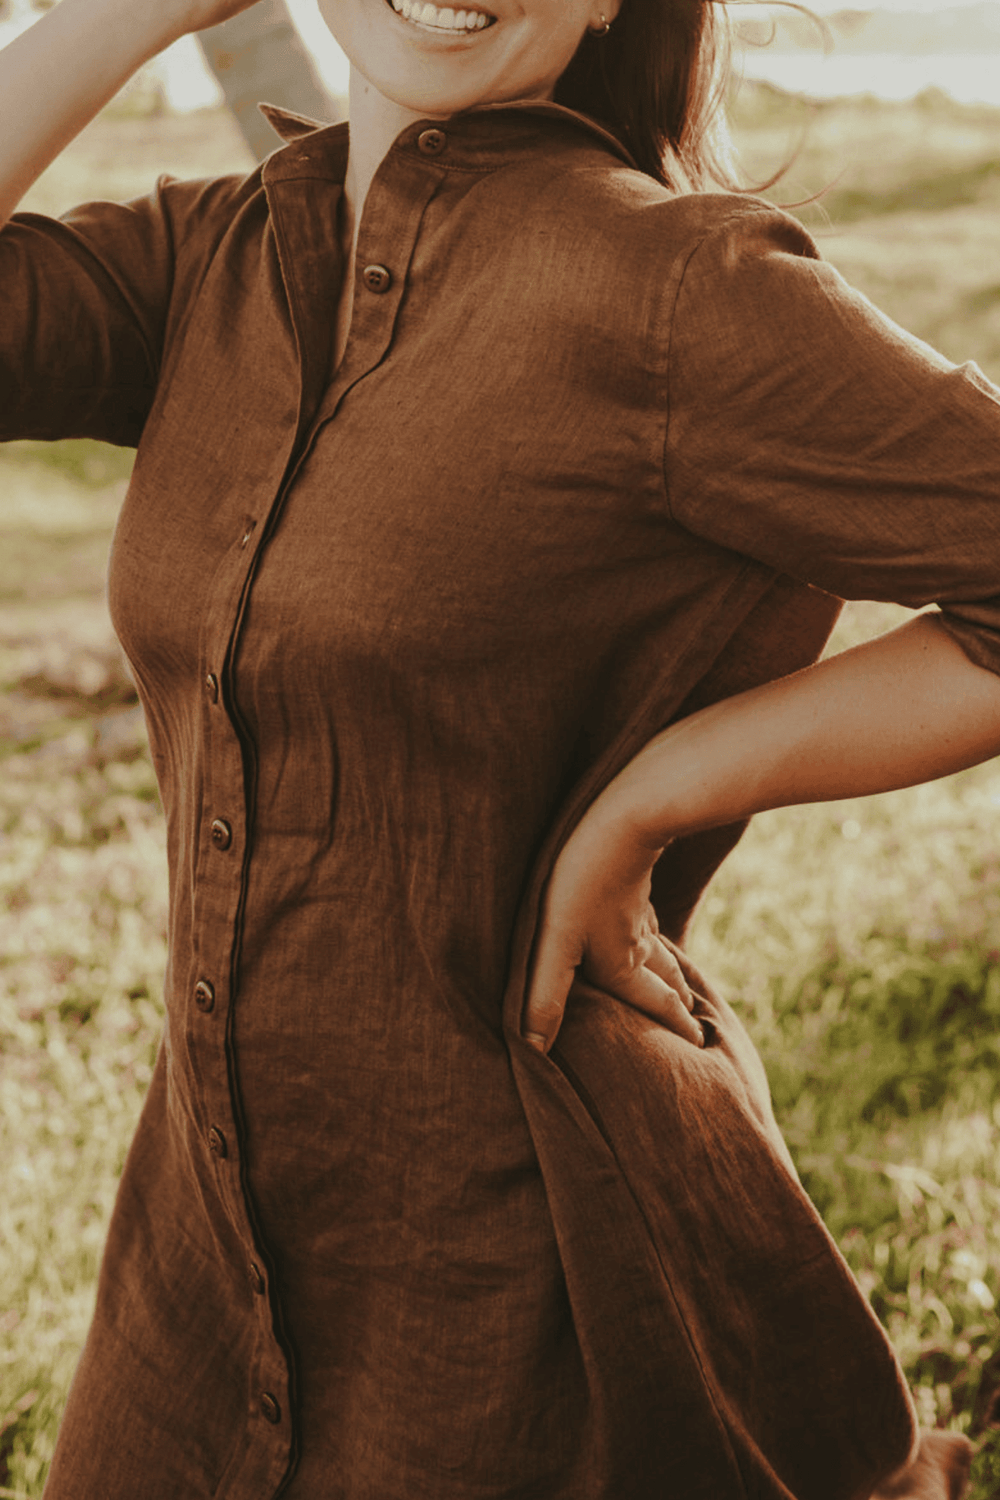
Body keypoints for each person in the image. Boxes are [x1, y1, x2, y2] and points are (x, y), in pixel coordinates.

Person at [0, 0, 996, 1495]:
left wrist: (660, 794)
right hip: (203, 1268)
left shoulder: (675, 289)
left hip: (522, 1292)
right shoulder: (216, 257)